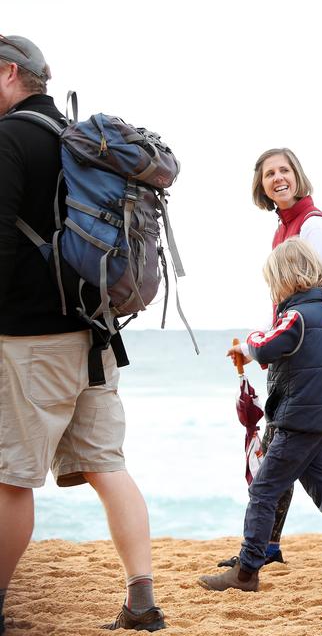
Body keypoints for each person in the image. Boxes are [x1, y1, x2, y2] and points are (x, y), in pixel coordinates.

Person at [0, 34, 167, 631]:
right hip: (96, 334)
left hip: (30, 338)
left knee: (12, 477)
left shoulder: (10, 139)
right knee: (106, 466)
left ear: (9, 73)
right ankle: (141, 599)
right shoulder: (77, 139)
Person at [198, 238, 322, 592]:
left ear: (285, 277)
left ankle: (246, 571)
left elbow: (266, 344)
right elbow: (295, 357)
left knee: (263, 491)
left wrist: (246, 343)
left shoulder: (296, 316)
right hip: (319, 420)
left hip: (297, 421)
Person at [218, 149, 322, 569]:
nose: (277, 178)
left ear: (297, 175)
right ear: (262, 184)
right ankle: (269, 545)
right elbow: (287, 303)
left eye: (284, 170)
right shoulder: (285, 227)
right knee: (290, 453)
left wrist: (316, 352)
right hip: (300, 356)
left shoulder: (315, 227)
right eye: (269, 173)